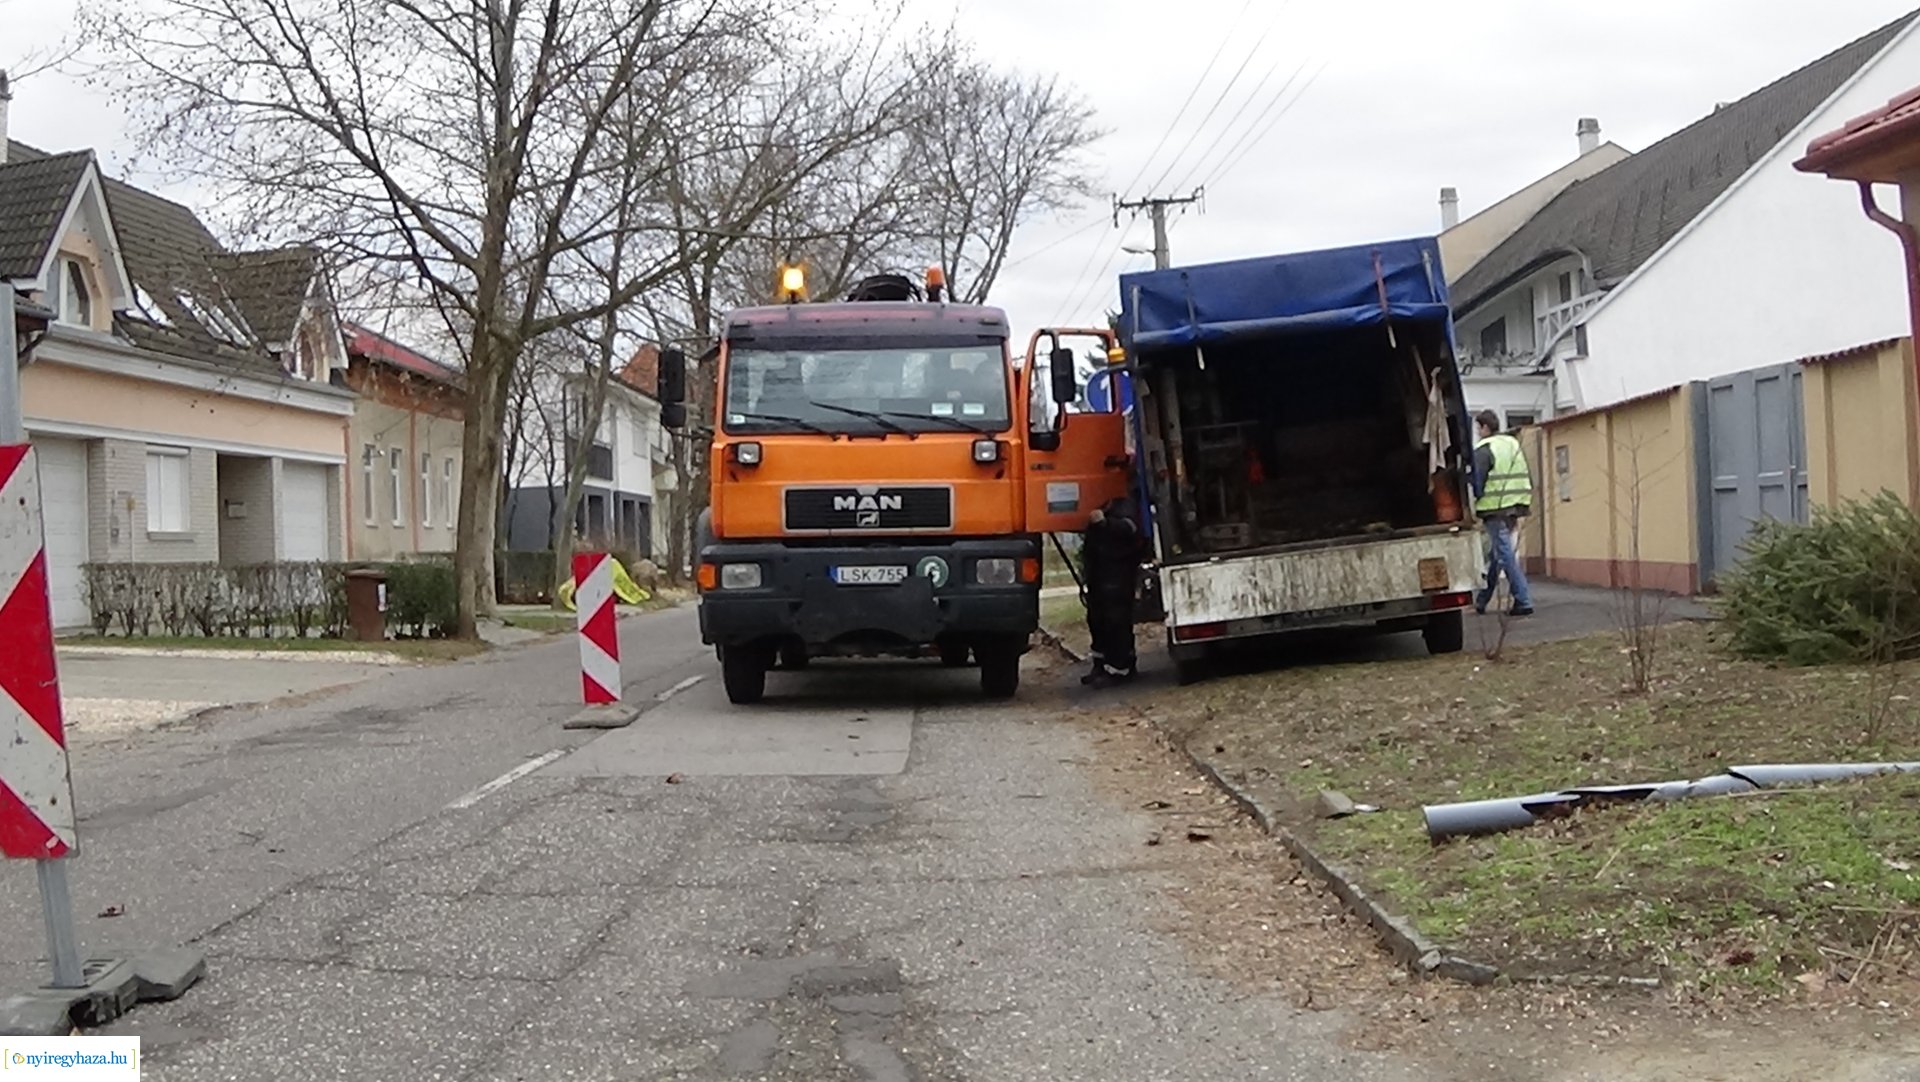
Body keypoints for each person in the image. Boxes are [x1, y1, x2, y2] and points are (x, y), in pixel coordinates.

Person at [1471, 410, 1535, 617]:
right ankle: (1482, 600)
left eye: (1478, 428)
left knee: (1504, 554)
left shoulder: (1484, 449)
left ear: (1485, 428)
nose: (1477, 433)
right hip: (1515, 504)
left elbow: (1478, 480)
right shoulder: (1511, 443)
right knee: (1497, 554)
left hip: (1495, 507)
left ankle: (1523, 600)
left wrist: (1475, 499)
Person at [1081, 495, 1145, 684]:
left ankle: (1121, 668)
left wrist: (1104, 522)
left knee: (1116, 620)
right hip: (1099, 576)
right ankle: (1100, 665)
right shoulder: (1101, 503)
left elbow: (1129, 528)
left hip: (1118, 574)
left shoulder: (1125, 503)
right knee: (1097, 620)